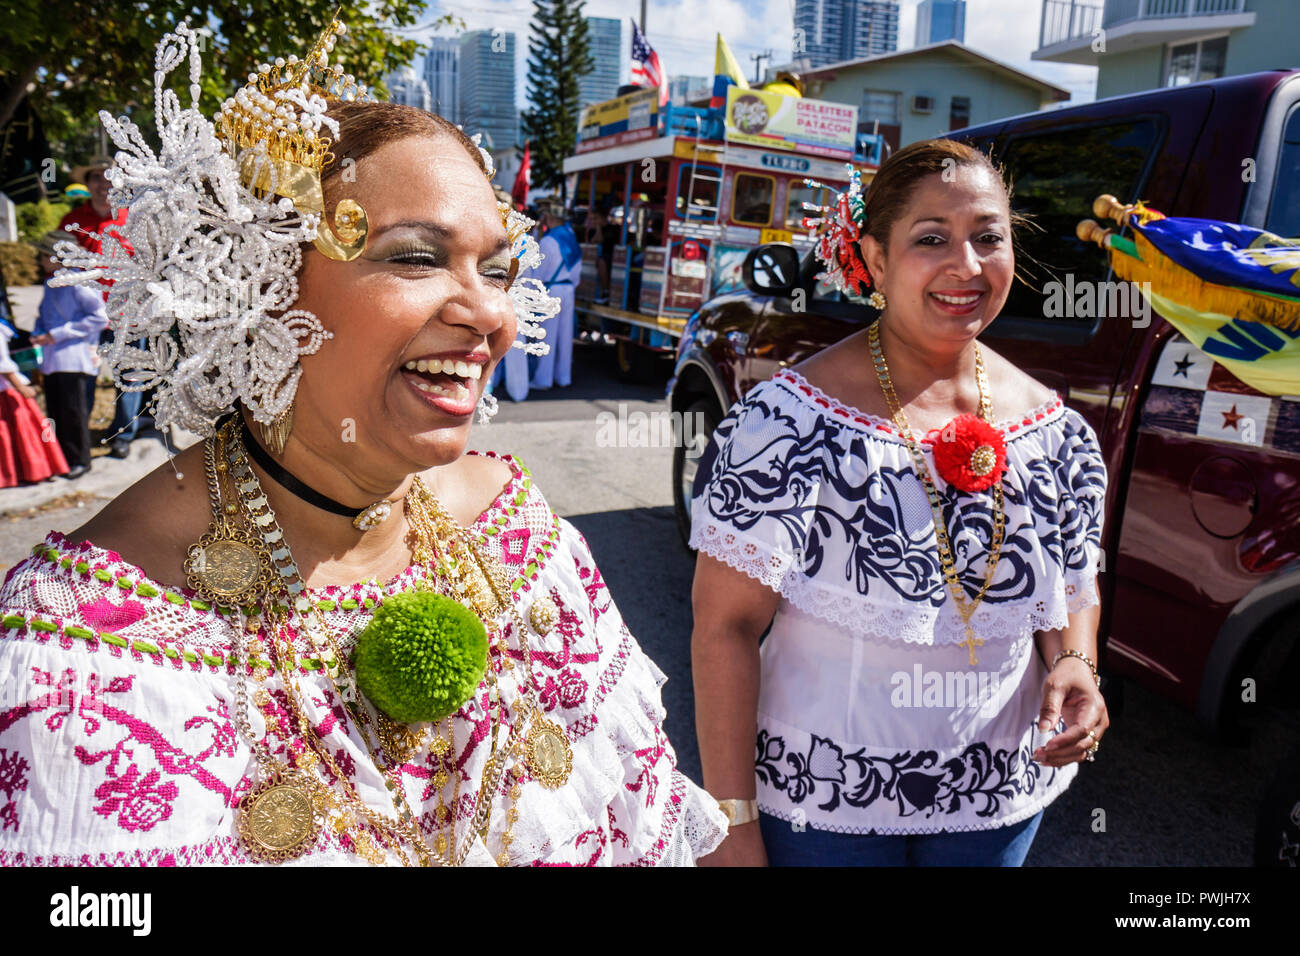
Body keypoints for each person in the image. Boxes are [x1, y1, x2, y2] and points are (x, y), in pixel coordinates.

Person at [0, 20, 724, 867]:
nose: (490, 315)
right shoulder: (73, 661)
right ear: (257, 283)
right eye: (416, 258)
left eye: (494, 268)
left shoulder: (524, 545)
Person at [690, 139, 1109, 866]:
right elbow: (723, 629)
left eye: (988, 237)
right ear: (875, 261)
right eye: (931, 240)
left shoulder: (1055, 429)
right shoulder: (789, 423)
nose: (967, 266)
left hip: (996, 802)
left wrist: (1075, 661)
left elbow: (1071, 579)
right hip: (818, 808)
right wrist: (731, 822)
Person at [61, 155, 137, 460]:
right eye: (96, 178)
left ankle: (123, 434)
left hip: (128, 314)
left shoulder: (133, 217)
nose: (103, 184)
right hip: (85, 318)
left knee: (130, 377)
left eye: (109, 177)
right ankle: (78, 435)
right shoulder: (72, 222)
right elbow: (59, 267)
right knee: (84, 377)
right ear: (88, 183)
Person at [29, 230, 108, 480]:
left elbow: (99, 318)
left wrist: (57, 334)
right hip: (53, 358)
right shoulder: (51, 282)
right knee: (56, 410)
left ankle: (80, 459)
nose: (40, 260)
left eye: (44, 255)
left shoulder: (79, 281)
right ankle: (60, 456)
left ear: (56, 257)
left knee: (74, 411)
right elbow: (44, 315)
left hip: (74, 358)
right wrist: (39, 331)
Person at [0, 317, 69, 486]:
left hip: (7, 388)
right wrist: (20, 388)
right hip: (8, 390)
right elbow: (3, 364)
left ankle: (17, 472)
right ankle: (29, 470)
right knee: (24, 432)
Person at [526, 198, 580, 390]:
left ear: (549, 217)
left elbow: (537, 274)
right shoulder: (571, 237)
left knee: (547, 337)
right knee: (566, 337)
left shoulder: (548, 241)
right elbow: (576, 271)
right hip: (568, 289)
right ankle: (563, 377)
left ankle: (543, 379)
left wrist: (531, 297)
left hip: (551, 290)